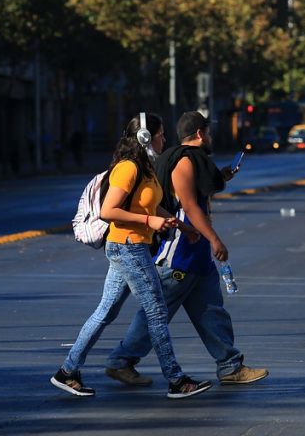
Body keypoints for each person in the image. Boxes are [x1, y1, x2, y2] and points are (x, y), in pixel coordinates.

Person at [50, 112, 211, 399]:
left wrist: (184, 227)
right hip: (128, 247)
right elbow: (108, 211)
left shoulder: (147, 167)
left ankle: (67, 371)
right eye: (160, 134)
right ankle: (176, 380)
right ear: (145, 137)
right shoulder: (128, 168)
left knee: (106, 312)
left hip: (131, 247)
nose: (164, 139)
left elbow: (150, 206)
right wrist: (149, 223)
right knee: (157, 311)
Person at [104, 111, 269, 387]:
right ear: (201, 134)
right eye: (209, 132)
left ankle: (230, 366)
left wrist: (223, 177)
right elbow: (189, 206)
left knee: (212, 310)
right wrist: (215, 239)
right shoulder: (185, 161)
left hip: (196, 253)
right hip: (180, 253)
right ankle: (121, 360)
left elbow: (198, 194)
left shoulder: (193, 160)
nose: (211, 137)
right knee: (156, 312)